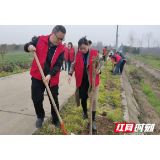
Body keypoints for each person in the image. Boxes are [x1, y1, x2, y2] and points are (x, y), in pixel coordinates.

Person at [24, 25, 66, 128]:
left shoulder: (61, 49)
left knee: (53, 100)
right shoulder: (40, 39)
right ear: (52, 33)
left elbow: (58, 65)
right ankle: (40, 116)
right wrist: (29, 46)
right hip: (37, 76)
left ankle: (55, 119)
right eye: (59, 38)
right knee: (36, 99)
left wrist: (50, 75)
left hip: (52, 78)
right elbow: (27, 46)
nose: (60, 41)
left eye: (62, 39)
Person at [67, 37, 104, 133]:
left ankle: (92, 121)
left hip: (92, 81)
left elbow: (101, 63)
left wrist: (99, 69)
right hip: (82, 80)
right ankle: (85, 113)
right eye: (81, 48)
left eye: (84, 48)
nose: (83, 50)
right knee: (83, 98)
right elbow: (74, 64)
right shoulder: (78, 54)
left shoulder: (95, 53)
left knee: (93, 100)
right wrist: (70, 74)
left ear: (88, 45)